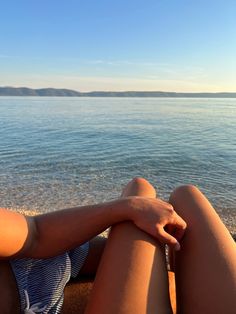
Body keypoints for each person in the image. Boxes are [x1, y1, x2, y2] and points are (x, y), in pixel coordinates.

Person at [0, 178, 235, 313]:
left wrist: (127, 207)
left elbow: (35, 233)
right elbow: (35, 234)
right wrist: (129, 206)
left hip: (41, 261)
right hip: (36, 274)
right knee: (178, 196)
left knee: (169, 195)